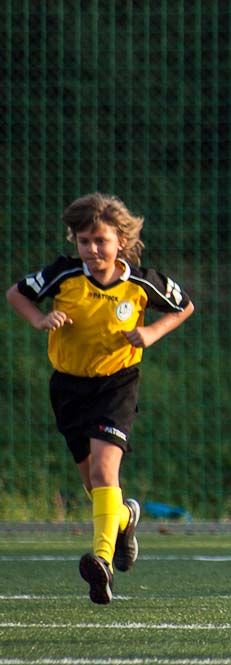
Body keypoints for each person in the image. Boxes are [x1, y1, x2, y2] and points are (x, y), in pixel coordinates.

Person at [6, 193, 195, 604]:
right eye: (85, 240)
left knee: (105, 472)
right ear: (75, 241)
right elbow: (16, 293)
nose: (93, 249)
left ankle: (102, 561)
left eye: (101, 241)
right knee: (96, 484)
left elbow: (184, 307)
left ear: (121, 241)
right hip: (69, 387)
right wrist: (41, 318)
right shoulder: (63, 275)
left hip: (116, 384)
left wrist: (150, 333)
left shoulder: (142, 282)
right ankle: (125, 518)